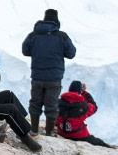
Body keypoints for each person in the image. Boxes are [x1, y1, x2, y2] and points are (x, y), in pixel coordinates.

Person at [22, 8, 77, 136]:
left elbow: (25, 50)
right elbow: (71, 54)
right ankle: (49, 132)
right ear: (56, 21)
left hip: (37, 76)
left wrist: (38, 51)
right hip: (54, 78)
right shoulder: (62, 36)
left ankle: (34, 130)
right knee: (51, 105)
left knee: (35, 103)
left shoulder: (33, 35)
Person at [55, 81, 113, 147]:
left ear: (69, 89)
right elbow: (94, 107)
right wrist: (84, 92)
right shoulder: (83, 106)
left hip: (61, 133)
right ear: (79, 91)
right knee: (99, 142)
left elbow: (53, 116)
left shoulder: (58, 102)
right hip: (79, 136)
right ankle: (114, 149)